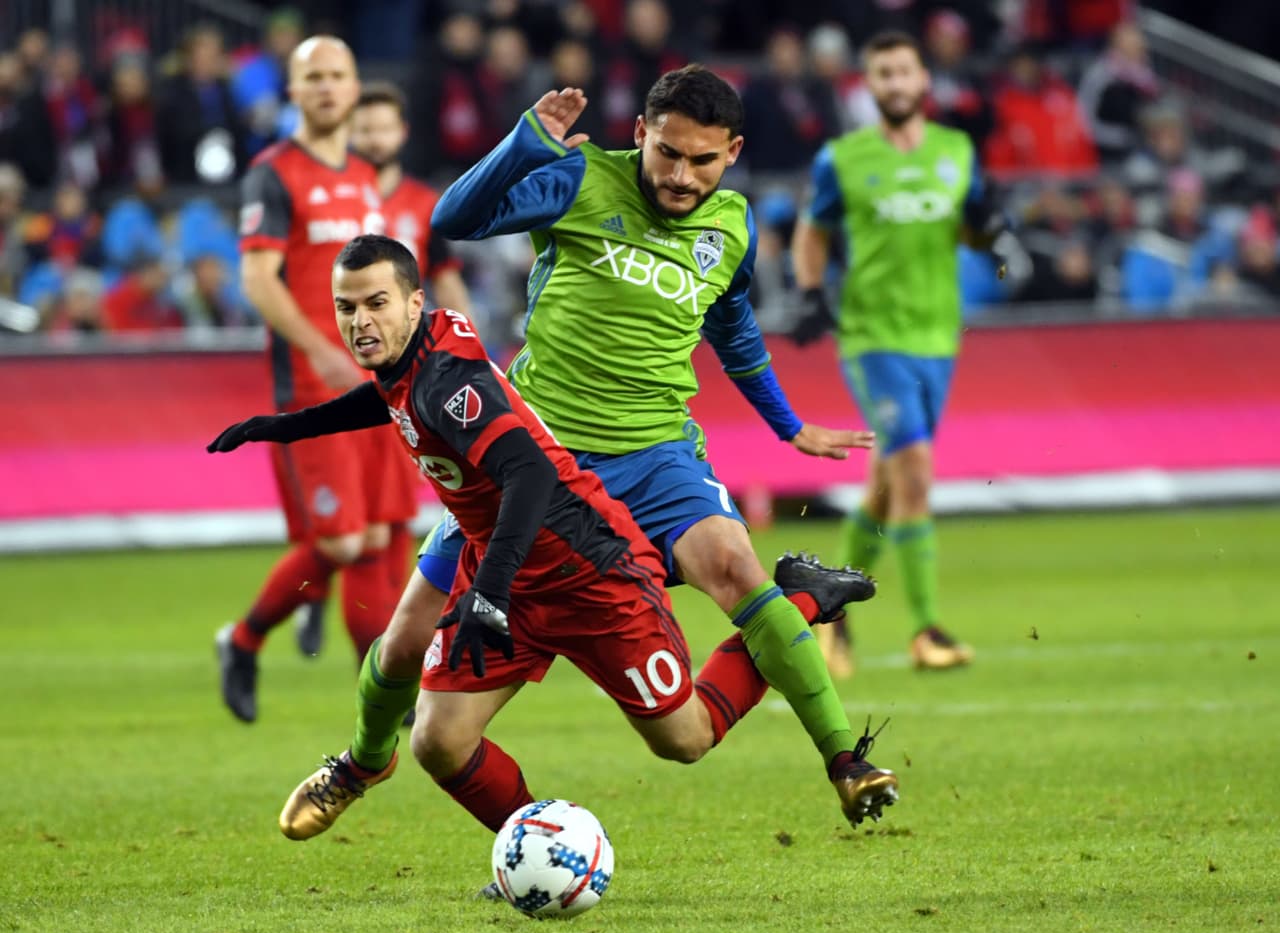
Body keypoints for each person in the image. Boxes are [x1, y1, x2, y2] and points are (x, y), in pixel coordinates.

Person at [276, 67, 901, 841]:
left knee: (736, 570)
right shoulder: (579, 180)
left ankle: (846, 761)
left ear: (732, 153)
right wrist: (523, 143)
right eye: (667, 153)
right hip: (531, 455)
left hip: (658, 454)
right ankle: (364, 763)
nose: (680, 176)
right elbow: (455, 218)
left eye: (702, 161)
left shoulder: (731, 227)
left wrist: (785, 424)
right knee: (404, 639)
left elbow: (732, 327)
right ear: (639, 133)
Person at [214, 36, 420, 721]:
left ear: (355, 87)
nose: (328, 87)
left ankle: (389, 706)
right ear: (294, 93)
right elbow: (256, 280)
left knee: (388, 531)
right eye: (314, 77)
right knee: (340, 541)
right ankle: (244, 639)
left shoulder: (365, 175)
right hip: (313, 386)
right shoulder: (272, 174)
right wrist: (321, 349)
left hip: (381, 384)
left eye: (339, 75)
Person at [790, 31, 990, 676]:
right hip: (873, 335)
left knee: (885, 487)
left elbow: (973, 222)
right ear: (869, 86)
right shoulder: (843, 159)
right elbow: (812, 233)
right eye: (883, 75)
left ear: (923, 78)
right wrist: (812, 293)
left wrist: (998, 233)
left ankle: (828, 618)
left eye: (904, 72)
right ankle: (926, 630)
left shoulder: (956, 151)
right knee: (915, 473)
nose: (896, 84)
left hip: (939, 335)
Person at [289, 79, 477, 656]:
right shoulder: (329, 200)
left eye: (381, 126)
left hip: (413, 381)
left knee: (387, 526)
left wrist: (472, 358)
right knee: (354, 533)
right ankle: (309, 609)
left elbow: (444, 278)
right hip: (349, 379)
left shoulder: (423, 205)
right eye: (362, 127)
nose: (372, 137)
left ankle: (382, 655)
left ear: (401, 133)